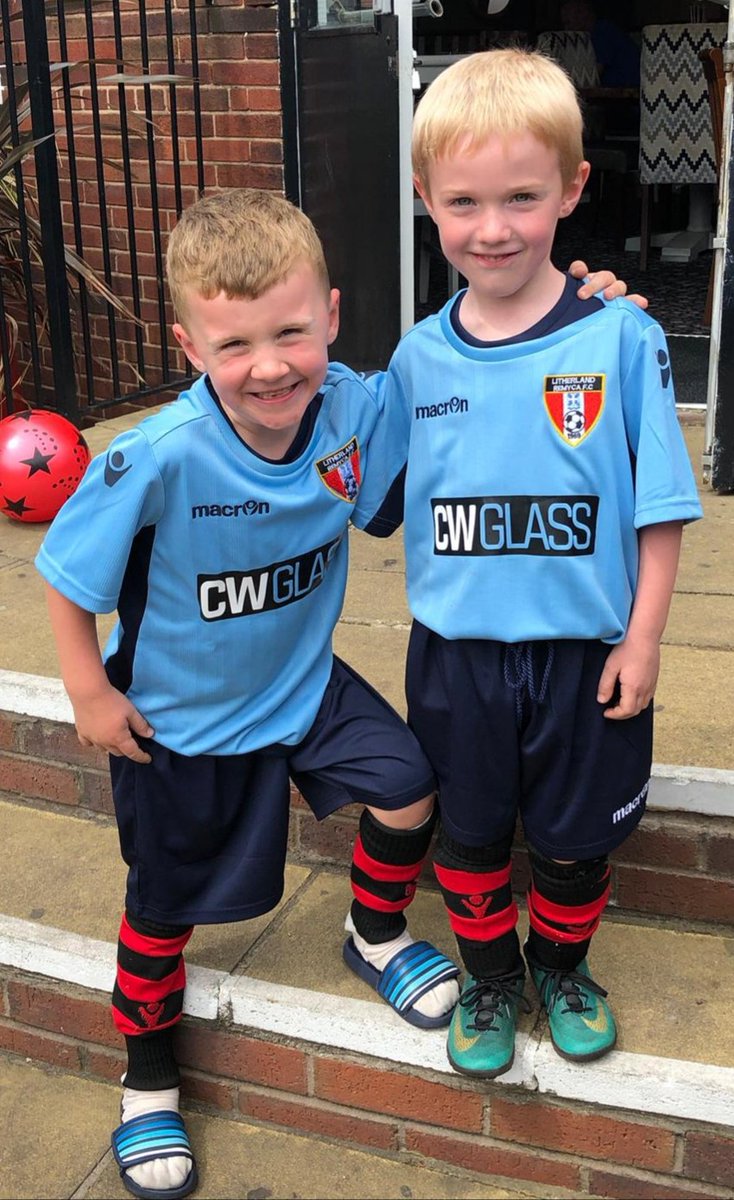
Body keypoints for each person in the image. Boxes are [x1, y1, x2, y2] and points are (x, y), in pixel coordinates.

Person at [36, 187, 636, 1200]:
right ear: (188, 345)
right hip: (186, 720)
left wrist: (578, 306)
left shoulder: (358, 407)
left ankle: (375, 934)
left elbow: (482, 373)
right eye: (234, 346)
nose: (268, 365)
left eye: (291, 333)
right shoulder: (159, 456)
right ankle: (145, 1085)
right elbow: (64, 576)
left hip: (303, 684)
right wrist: (90, 690)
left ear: (333, 317)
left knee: (408, 783)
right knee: (163, 905)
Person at [376, 48, 702, 1081]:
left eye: (522, 196)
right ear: (425, 201)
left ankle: (561, 966)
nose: (493, 227)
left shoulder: (618, 340)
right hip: (458, 659)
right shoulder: (413, 360)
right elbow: (361, 499)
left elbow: (657, 510)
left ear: (570, 188)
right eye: (463, 201)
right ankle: (489, 977)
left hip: (584, 656)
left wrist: (642, 638)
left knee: (571, 845)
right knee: (466, 842)